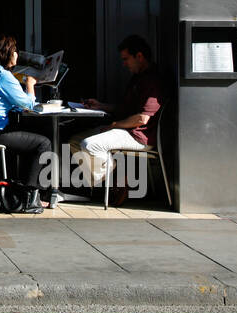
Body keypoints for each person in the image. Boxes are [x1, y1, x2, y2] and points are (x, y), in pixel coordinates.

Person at [70, 34, 166, 205]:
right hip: (126, 130)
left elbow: (142, 119)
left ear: (139, 56)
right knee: (74, 141)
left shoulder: (153, 81)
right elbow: (125, 109)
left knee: (89, 144)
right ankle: (109, 182)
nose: (124, 64)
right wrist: (100, 106)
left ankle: (117, 178)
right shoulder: (138, 77)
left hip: (139, 136)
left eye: (126, 59)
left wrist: (115, 125)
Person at [0, 33, 53, 206]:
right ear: (6, 53)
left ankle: (21, 190)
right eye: (14, 50)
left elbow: (3, 101)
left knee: (29, 144)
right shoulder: (3, 77)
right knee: (42, 143)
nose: (17, 54)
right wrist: (30, 84)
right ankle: (30, 197)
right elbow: (28, 103)